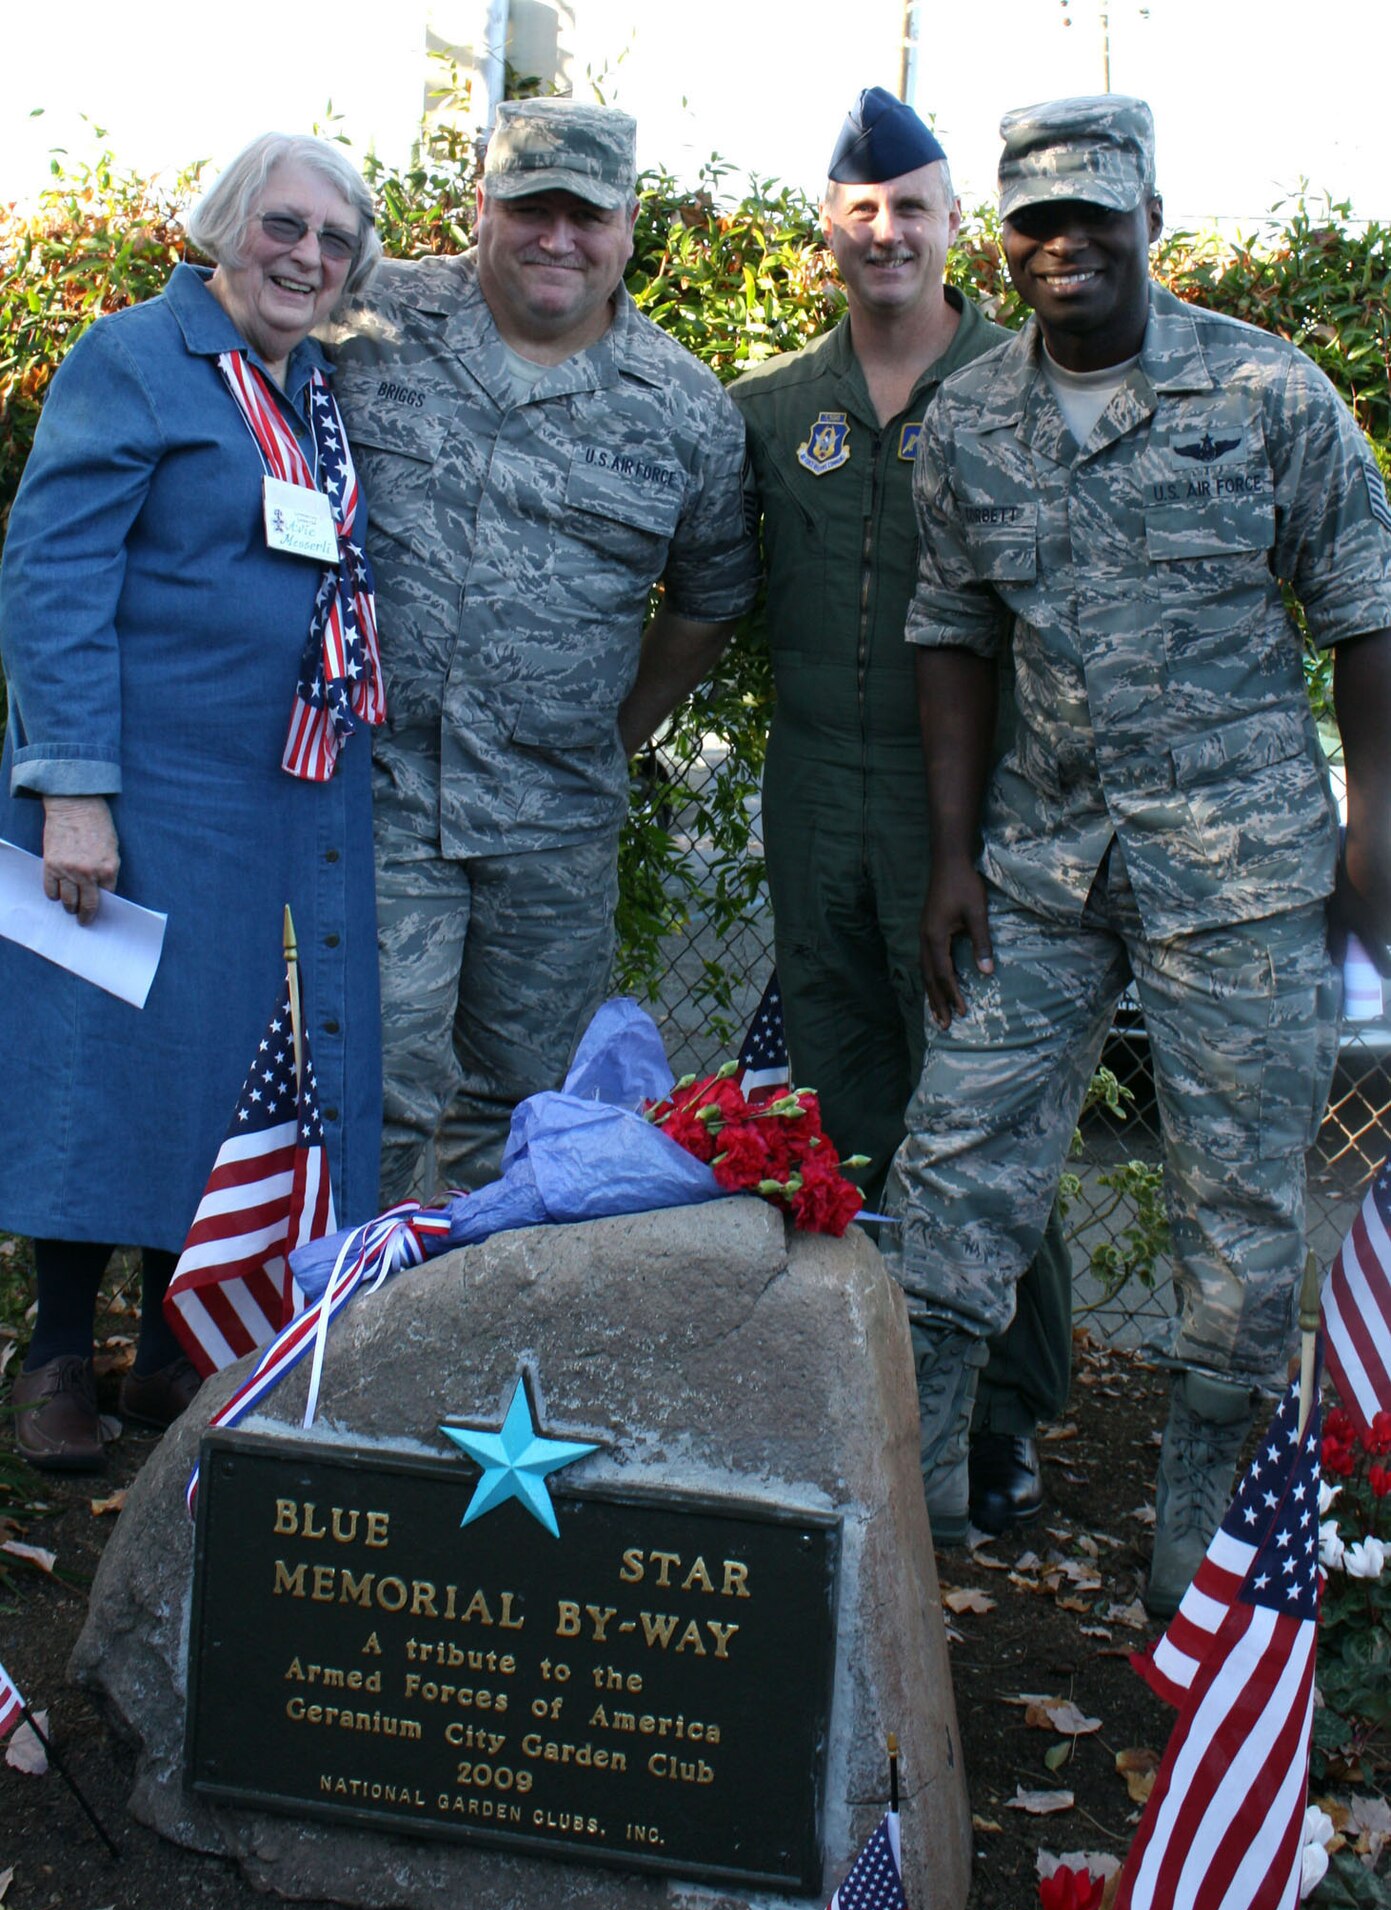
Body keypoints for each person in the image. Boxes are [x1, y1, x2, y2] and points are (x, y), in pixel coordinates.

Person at [890, 94, 1391, 1612]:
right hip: (1041, 868)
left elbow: (1364, 608)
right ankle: (910, 1509)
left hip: (1237, 876)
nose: (1061, 247)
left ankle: (1208, 1558)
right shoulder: (971, 419)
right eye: (1033, 221)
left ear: (1147, 217)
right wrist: (954, 853)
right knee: (952, 1157)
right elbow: (950, 631)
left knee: (1236, 1207)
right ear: (1004, 233)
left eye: (1091, 216)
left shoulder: (1265, 392)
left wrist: (1372, 834)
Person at [0, 134, 387, 1472]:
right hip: (124, 783)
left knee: (214, 1066)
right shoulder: (136, 358)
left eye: (334, 243)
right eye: (283, 225)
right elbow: (53, 576)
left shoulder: (312, 384)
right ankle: (54, 1354)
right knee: (88, 1062)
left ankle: (169, 1346)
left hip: (258, 797)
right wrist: (74, 793)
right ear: (226, 222)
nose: (306, 256)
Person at [731, 88, 1072, 1541]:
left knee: (985, 1112)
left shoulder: (1024, 389)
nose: (886, 232)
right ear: (826, 228)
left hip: (977, 809)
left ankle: (1001, 1418)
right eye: (860, 209)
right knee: (849, 1101)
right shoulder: (763, 410)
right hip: (813, 792)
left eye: (913, 207)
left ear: (954, 231)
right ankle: (881, 1389)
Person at [329, 100, 759, 1205]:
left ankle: (489, 1351)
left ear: (627, 226)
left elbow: (709, 599)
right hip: (376, 796)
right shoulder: (367, 326)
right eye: (530, 207)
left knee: (526, 1111)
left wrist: (608, 733)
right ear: (482, 207)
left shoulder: (685, 409)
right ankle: (352, 1349)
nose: (557, 237)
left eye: (586, 213)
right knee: (366, 1094)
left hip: (553, 826)